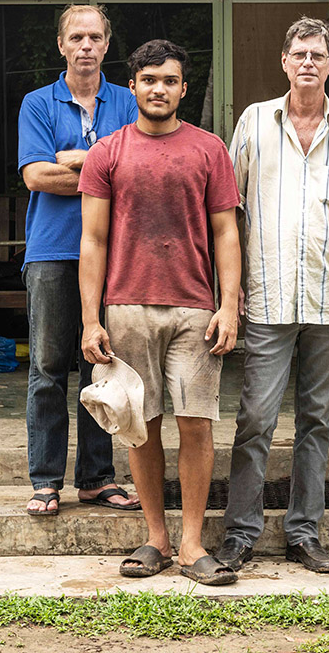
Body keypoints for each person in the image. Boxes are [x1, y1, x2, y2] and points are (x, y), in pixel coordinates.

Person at [79, 39, 243, 586]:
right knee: (140, 427)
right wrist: (91, 318)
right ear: (133, 87)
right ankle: (156, 538)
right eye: (149, 80)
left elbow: (226, 231)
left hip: (196, 309)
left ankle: (193, 543)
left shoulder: (209, 149)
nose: (159, 89)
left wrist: (229, 304)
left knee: (196, 425)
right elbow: (94, 240)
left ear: (183, 89)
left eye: (169, 81)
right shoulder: (109, 151)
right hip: (126, 308)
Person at [218, 17, 329, 575]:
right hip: (265, 297)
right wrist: (230, 292)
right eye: (299, 53)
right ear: (284, 61)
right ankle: (240, 531)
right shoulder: (254, 122)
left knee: (317, 419)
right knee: (255, 418)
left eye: (319, 54)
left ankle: (304, 532)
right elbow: (229, 213)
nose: (308, 62)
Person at [18, 4, 140, 517]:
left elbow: (139, 169)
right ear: (62, 46)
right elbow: (36, 177)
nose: (86, 46)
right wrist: (104, 170)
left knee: (102, 364)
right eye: (76, 37)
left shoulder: (128, 102)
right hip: (51, 251)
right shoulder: (38, 103)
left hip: (115, 253)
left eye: (95, 37)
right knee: (47, 368)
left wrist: (74, 158)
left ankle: (96, 478)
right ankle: (46, 480)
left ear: (107, 45)